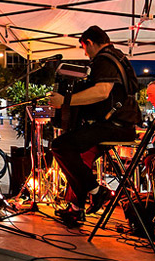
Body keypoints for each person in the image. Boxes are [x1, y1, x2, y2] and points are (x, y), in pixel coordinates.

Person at [49, 25, 141, 223]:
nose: (85, 53)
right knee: (79, 159)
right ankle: (76, 207)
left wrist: (65, 100)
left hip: (115, 126)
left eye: (84, 47)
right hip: (120, 125)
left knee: (59, 146)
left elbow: (101, 92)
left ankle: (97, 191)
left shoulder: (104, 59)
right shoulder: (117, 57)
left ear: (89, 42)